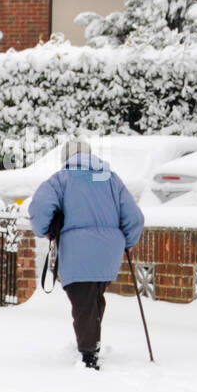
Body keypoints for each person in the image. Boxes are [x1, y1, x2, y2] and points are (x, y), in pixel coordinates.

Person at [28, 137, 145, 370]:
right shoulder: (108, 177)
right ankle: (93, 342)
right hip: (108, 254)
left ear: (66, 159)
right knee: (92, 300)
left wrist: (45, 230)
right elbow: (135, 218)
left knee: (83, 305)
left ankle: (89, 357)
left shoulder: (61, 179)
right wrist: (127, 242)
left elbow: (38, 208)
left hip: (76, 253)